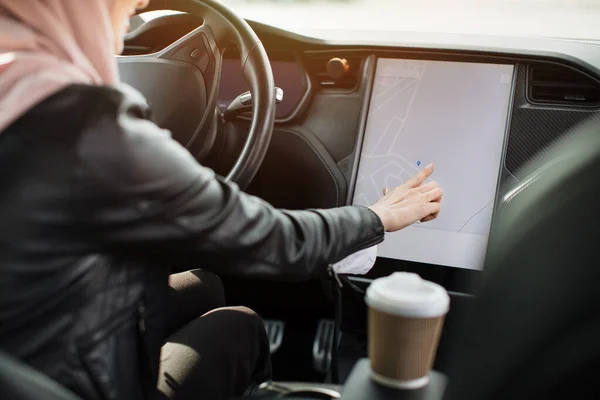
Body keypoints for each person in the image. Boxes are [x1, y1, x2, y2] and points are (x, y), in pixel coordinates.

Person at [0, 1, 443, 399]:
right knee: (242, 324)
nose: (138, 4)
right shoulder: (94, 136)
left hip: (24, 344)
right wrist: (379, 217)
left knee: (205, 284)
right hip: (72, 381)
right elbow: (276, 242)